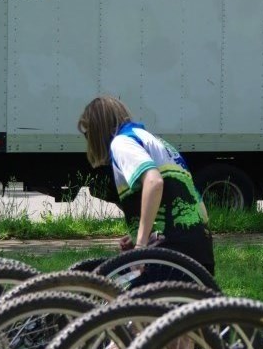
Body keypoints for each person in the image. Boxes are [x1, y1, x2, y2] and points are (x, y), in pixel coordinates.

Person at [78, 95, 215, 275]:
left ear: (98, 129)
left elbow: (154, 182)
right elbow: (196, 207)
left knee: (129, 302)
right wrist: (140, 233)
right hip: (199, 248)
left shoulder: (122, 143)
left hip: (170, 249)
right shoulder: (155, 142)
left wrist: (141, 244)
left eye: (88, 134)